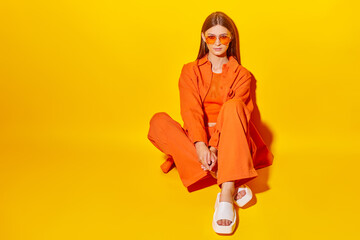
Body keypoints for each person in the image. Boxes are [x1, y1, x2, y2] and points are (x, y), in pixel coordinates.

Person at [147, 11, 273, 234]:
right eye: (211, 37)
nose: (217, 42)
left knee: (233, 107)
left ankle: (225, 194)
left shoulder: (243, 75)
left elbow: (237, 113)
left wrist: (214, 147)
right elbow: (190, 110)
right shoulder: (189, 71)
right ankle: (229, 178)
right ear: (203, 37)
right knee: (158, 121)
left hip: (232, 140)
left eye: (223, 37)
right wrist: (201, 146)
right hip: (198, 142)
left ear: (231, 38)